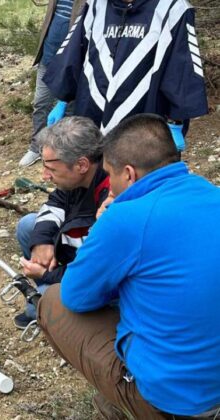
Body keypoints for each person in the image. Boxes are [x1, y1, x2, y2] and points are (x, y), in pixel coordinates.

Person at [37, 114, 220, 418]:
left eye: (110, 175)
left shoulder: (125, 218)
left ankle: (124, 403)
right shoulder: (211, 193)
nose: (109, 183)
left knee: (52, 301)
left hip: (180, 403)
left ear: (130, 175)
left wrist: (103, 225)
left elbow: (76, 296)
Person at [43, 0, 208, 152]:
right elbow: (74, 51)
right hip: (93, 112)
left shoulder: (172, 8)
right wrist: (63, 99)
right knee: (96, 175)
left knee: (139, 174)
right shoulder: (95, 6)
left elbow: (181, 65)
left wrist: (175, 122)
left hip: (144, 118)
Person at [13, 116, 109, 329]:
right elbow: (56, 201)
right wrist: (42, 241)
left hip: (101, 280)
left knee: (42, 302)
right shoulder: (79, 178)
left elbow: (95, 268)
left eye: (51, 169)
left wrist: (46, 274)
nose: (45, 176)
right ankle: (48, 299)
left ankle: (53, 304)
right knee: (29, 225)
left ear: (81, 164)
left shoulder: (110, 198)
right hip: (78, 257)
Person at [18, 0, 85, 167]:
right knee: (41, 103)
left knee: (68, 110)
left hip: (70, 60)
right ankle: (37, 147)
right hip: (48, 56)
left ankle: (63, 151)